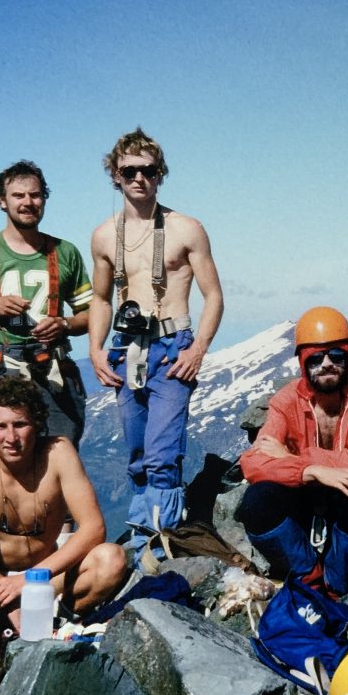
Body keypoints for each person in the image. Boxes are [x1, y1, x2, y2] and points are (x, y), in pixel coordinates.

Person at [89, 128, 224, 564]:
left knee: (163, 453)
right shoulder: (104, 236)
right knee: (137, 454)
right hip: (126, 347)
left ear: (160, 174)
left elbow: (214, 296)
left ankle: (159, 543)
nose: (139, 178)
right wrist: (95, 349)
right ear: (115, 174)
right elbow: (100, 297)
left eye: (148, 170)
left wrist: (197, 348)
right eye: (129, 170)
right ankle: (144, 537)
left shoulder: (187, 229)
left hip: (173, 344)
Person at [0, 376, 127, 632]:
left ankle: (63, 618)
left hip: (47, 578)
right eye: (0, 427)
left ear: (37, 424)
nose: (11, 437)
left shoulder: (58, 453)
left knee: (112, 559)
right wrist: (5, 591)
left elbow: (94, 529)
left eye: (20, 424)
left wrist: (29, 581)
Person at [237, 307, 348, 597]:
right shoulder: (286, 401)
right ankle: (309, 577)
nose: (326, 365)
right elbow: (253, 463)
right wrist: (310, 471)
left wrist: (291, 457)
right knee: (256, 500)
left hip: (344, 501)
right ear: (302, 364)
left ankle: (337, 583)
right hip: (302, 496)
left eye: (336, 357)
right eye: (315, 358)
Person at [0, 160, 92, 447]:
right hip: (1, 369)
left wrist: (64, 324)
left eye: (35, 195)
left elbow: (91, 314)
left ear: (44, 199)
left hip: (53, 372)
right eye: (18, 195)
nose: (28, 202)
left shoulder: (65, 252)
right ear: (1, 201)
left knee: (58, 465)